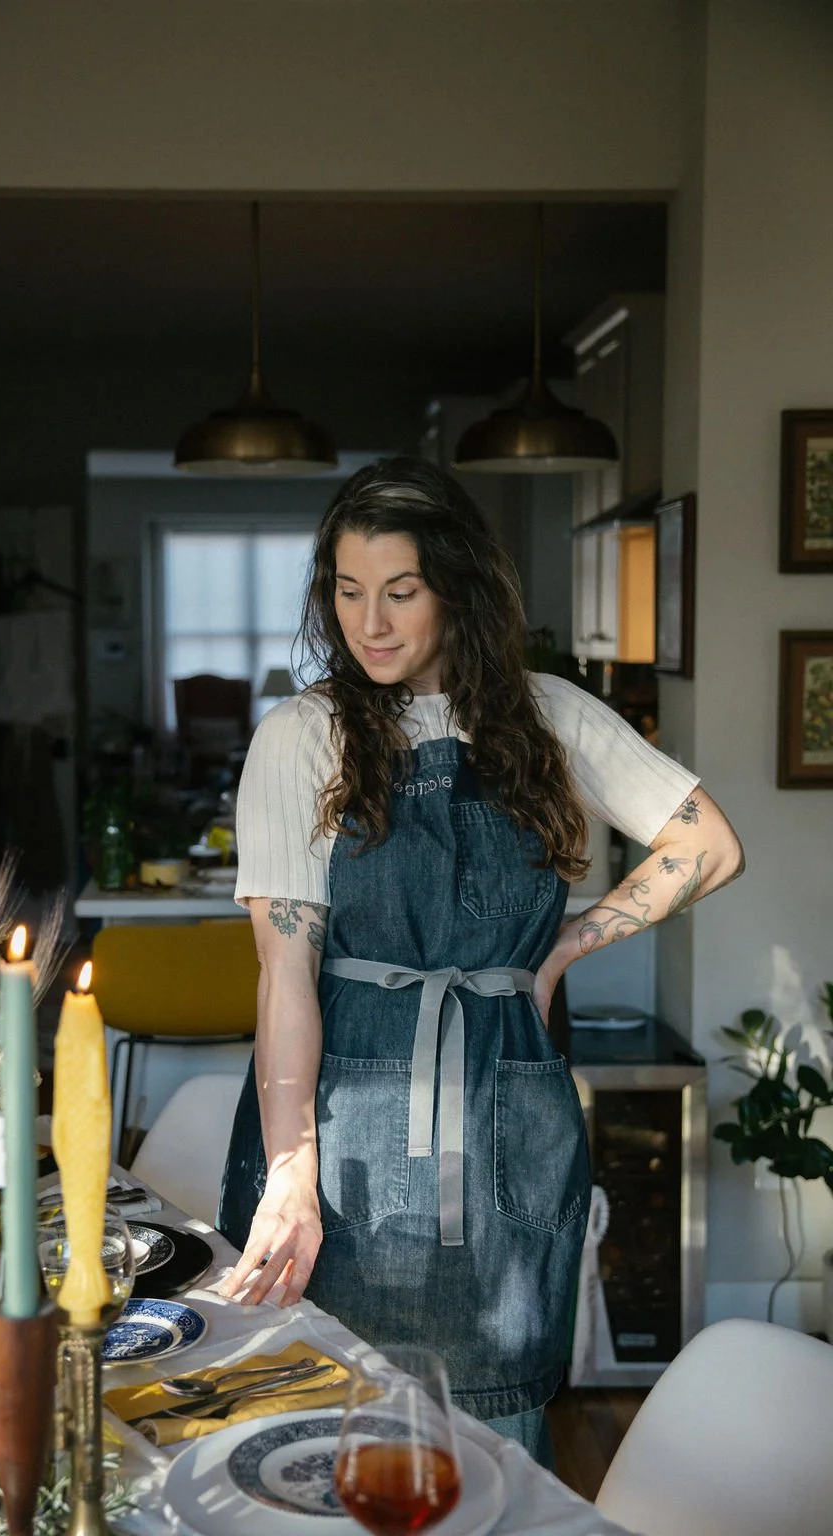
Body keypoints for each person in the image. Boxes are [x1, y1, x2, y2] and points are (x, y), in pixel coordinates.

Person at [217, 457, 743, 1465]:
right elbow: (285, 976)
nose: (370, 622)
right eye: (348, 590)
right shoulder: (302, 735)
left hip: (507, 1119)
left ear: (455, 589)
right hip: (344, 1128)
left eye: (400, 591)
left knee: (496, 1437)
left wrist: (564, 950)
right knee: (322, 1431)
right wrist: (291, 1171)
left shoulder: (549, 715)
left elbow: (708, 845)